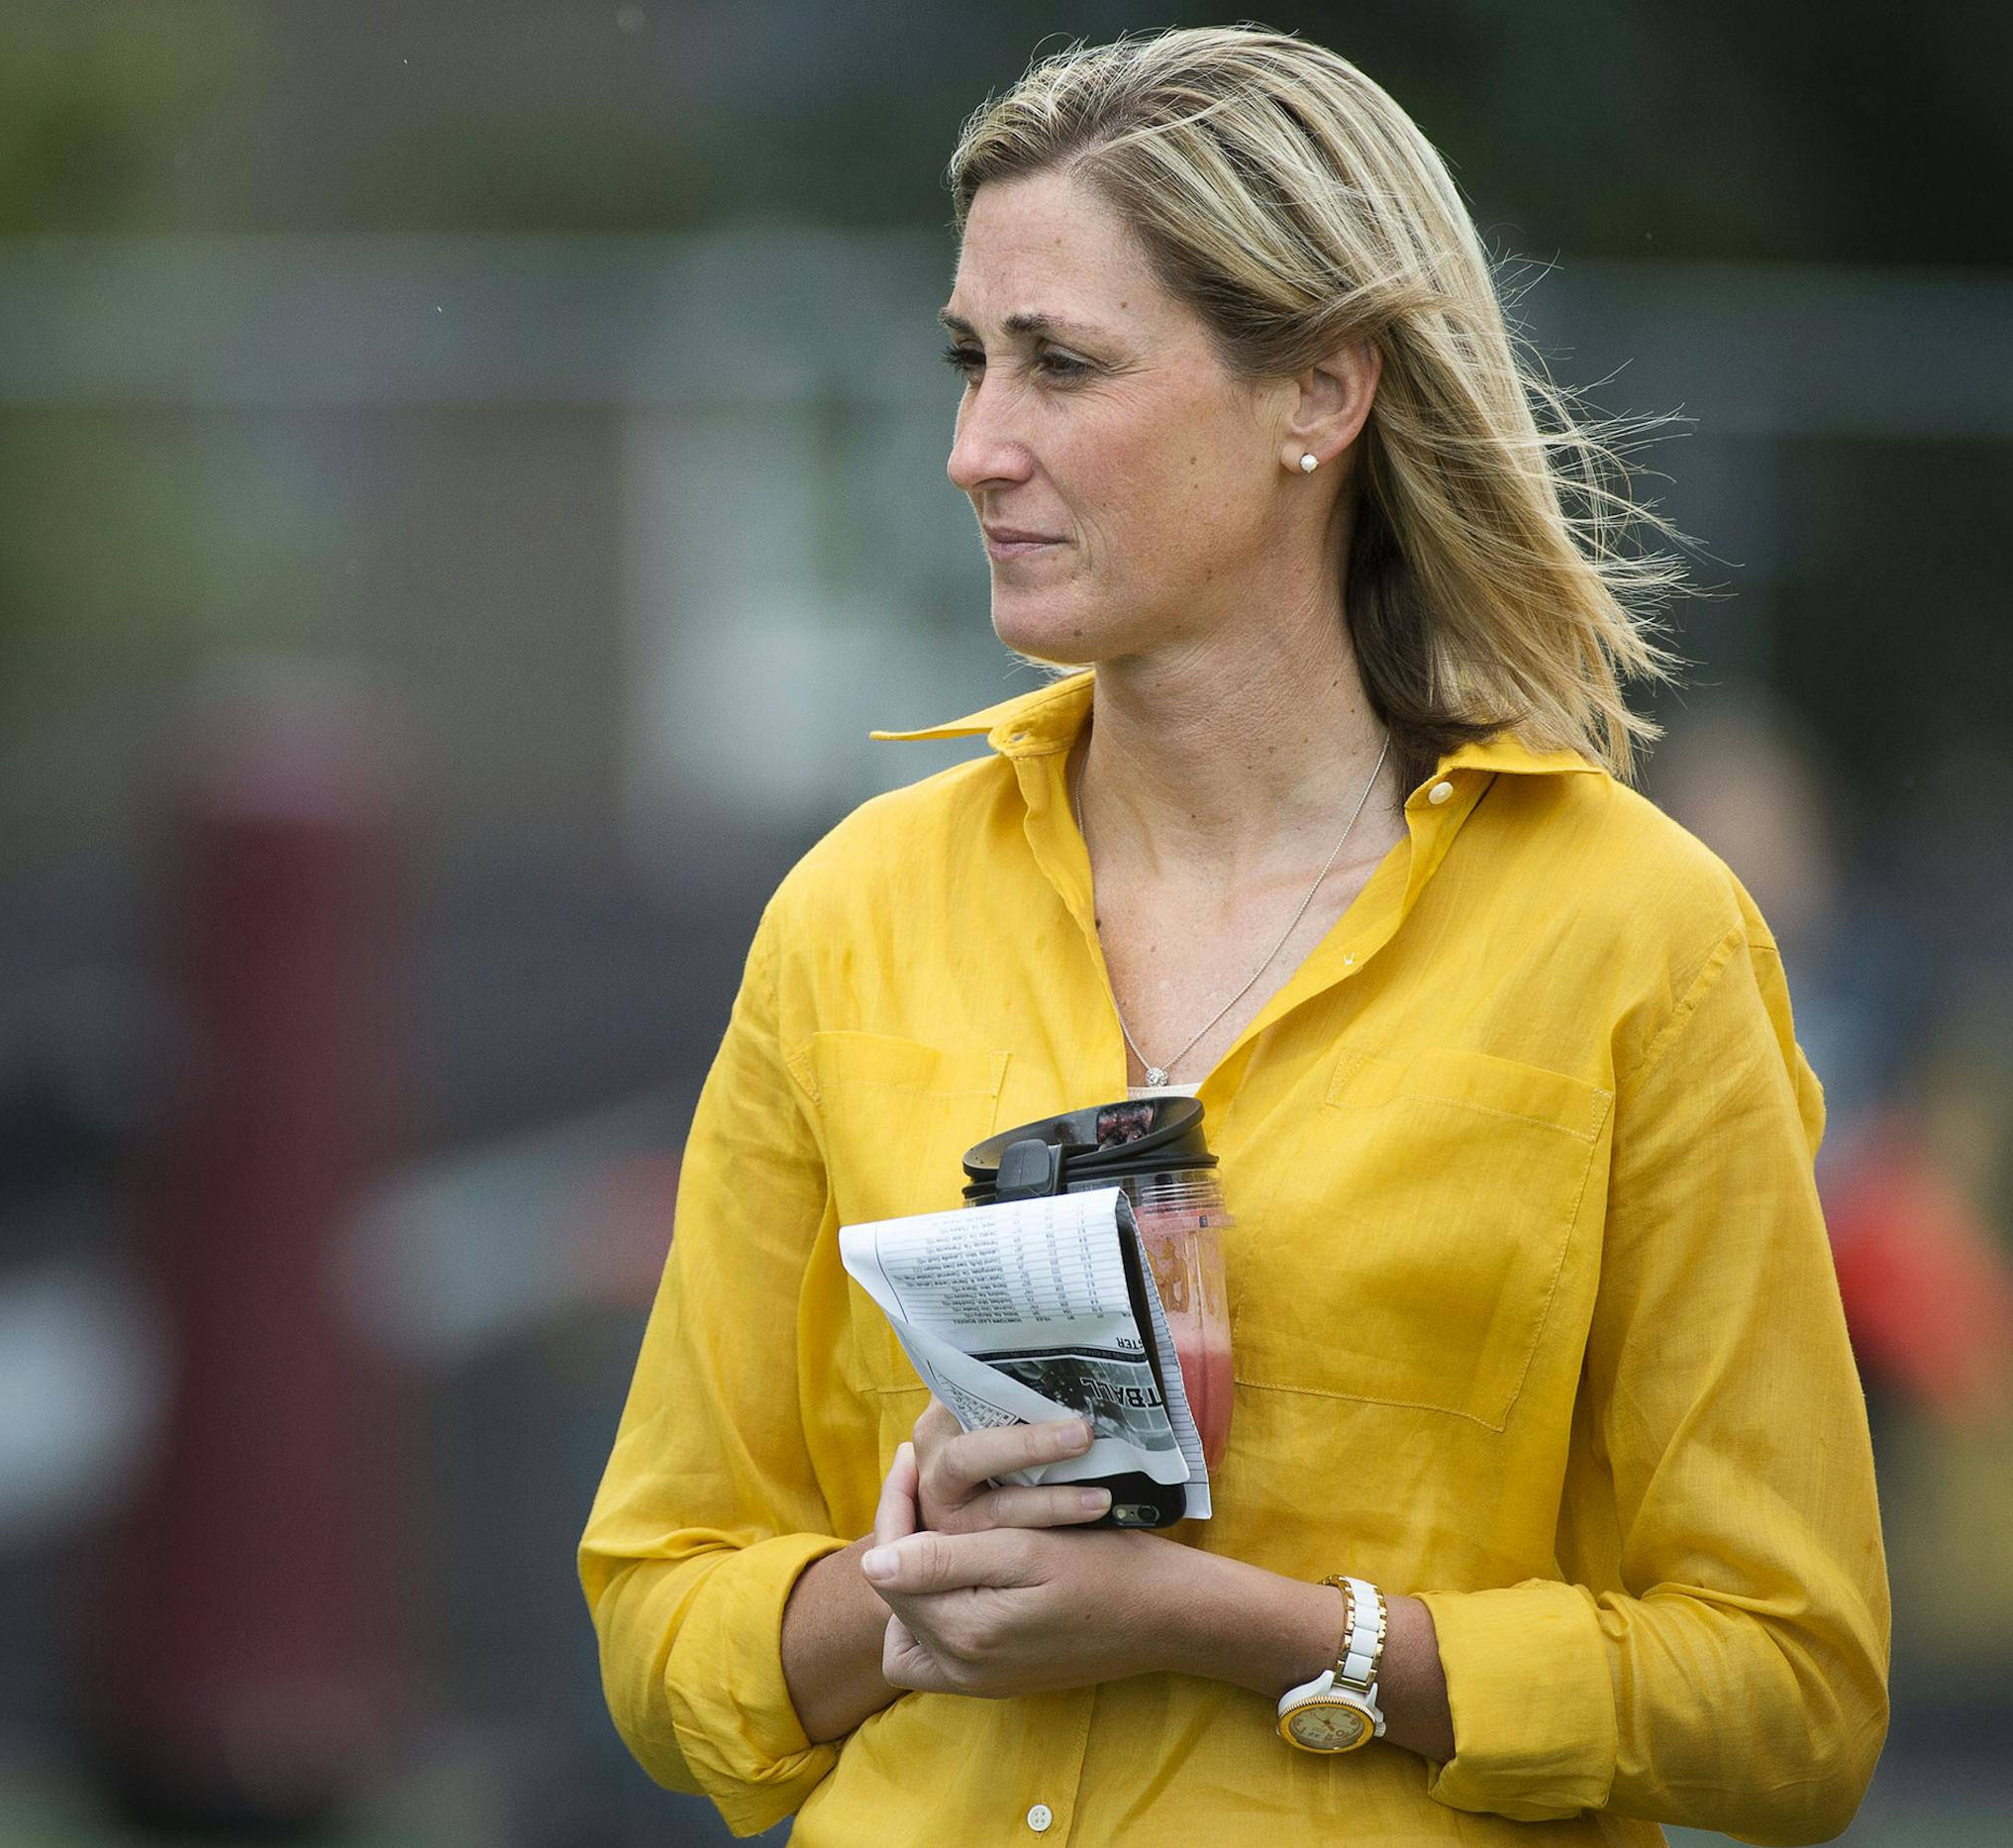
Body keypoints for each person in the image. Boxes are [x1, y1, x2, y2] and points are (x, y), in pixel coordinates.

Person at [579, 27, 1889, 1845]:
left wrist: (1247, 1630)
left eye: (1063, 364)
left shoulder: (1637, 939)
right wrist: (905, 1599)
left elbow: (1791, 1696)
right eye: (970, 360)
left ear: (1319, 396)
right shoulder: (852, 914)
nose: (974, 447)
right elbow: (658, 1602)